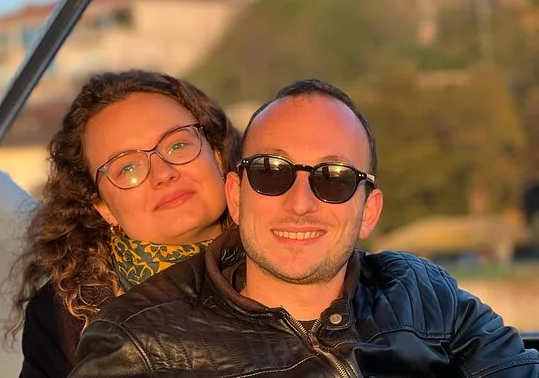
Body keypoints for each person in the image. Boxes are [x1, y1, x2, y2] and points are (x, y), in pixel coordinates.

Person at [71, 79, 539, 377]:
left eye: (334, 179)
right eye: (271, 173)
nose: (300, 204)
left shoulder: (420, 290)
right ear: (237, 196)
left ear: (369, 211)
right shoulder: (139, 346)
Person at [3, 70, 241, 378]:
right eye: (127, 167)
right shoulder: (64, 318)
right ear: (104, 208)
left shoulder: (287, 257)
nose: (163, 173)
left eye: (177, 145)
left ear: (217, 156)